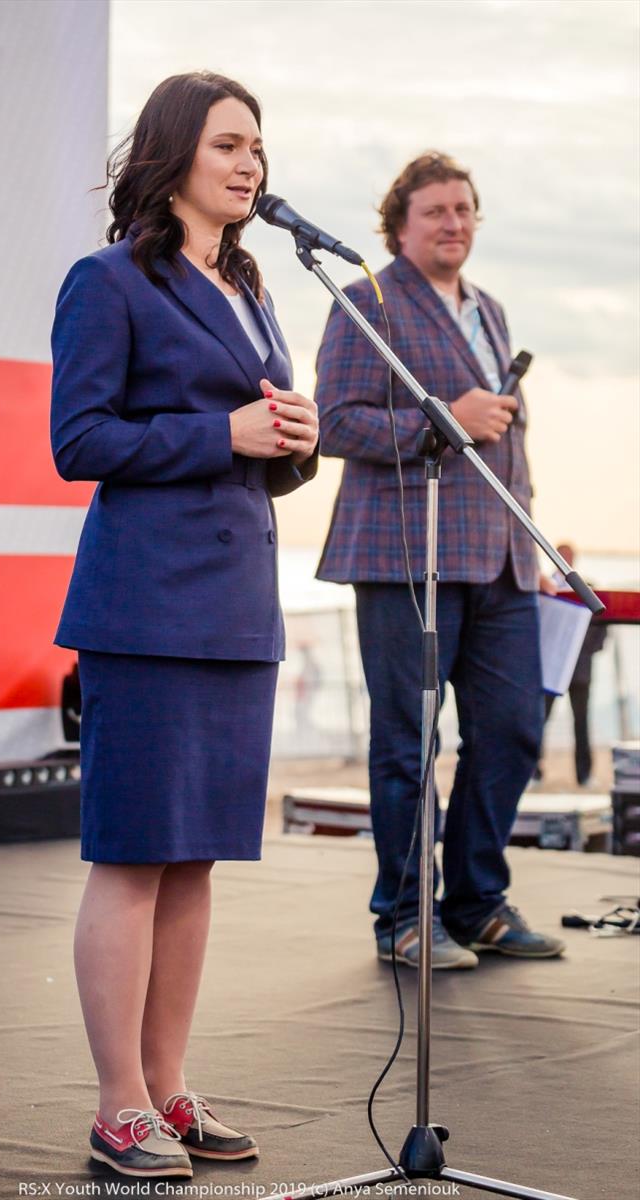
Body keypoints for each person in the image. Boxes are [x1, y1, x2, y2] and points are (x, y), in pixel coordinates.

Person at [50, 72, 318, 1176]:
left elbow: (263, 457)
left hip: (233, 610)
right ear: (174, 157)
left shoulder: (251, 285)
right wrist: (227, 433)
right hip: (147, 609)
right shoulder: (107, 280)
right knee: (132, 858)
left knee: (194, 862)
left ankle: (167, 1088)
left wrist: (293, 441)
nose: (249, 163)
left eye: (256, 145)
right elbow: (81, 442)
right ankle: (118, 1104)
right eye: (227, 145)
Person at [315, 151, 564, 970]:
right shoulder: (366, 302)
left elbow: (500, 436)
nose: (454, 223)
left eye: (464, 210)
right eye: (436, 211)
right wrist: (441, 421)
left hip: (501, 560)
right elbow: (336, 423)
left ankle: (477, 902)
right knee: (406, 745)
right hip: (404, 558)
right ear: (399, 225)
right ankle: (404, 917)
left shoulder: (488, 310)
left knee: (514, 730)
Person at [536, 543, 607, 787]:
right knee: (539, 720)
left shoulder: (588, 588)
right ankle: (534, 773)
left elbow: (600, 626)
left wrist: (585, 651)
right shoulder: (545, 587)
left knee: (582, 722)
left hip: (580, 668)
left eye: (569, 555)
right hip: (550, 665)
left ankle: (584, 775)